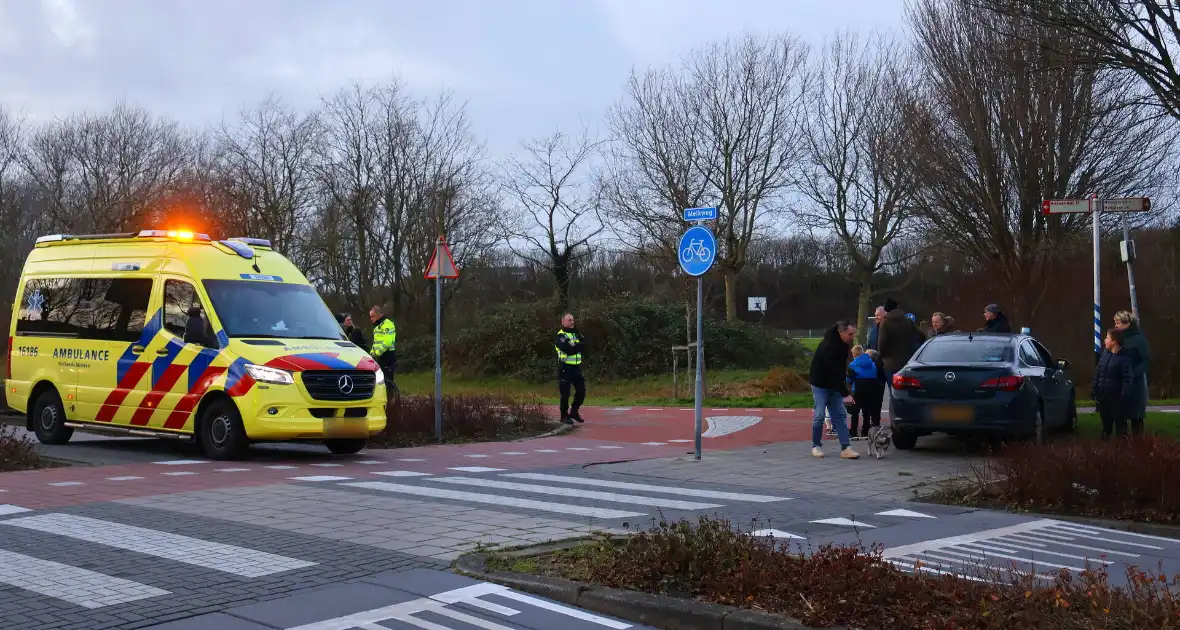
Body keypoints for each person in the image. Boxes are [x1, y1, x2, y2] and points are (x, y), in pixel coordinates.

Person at [808, 320, 860, 459]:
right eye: (850, 334)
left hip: (834, 383)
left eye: (854, 333)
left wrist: (846, 379)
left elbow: (839, 369)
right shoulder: (828, 347)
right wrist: (845, 393)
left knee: (840, 415)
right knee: (819, 415)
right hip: (820, 384)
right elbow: (831, 371)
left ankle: (846, 447)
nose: (852, 337)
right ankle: (816, 445)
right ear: (841, 332)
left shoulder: (844, 345)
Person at [1114, 310, 1151, 436]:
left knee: (1136, 416)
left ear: (1127, 323)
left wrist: (1133, 374)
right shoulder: (1117, 338)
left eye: (1118, 322)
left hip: (1136, 384)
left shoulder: (1139, 339)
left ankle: (1139, 445)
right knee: (1120, 416)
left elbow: (1146, 360)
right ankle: (1122, 446)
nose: (1116, 325)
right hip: (1119, 383)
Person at [1092, 328, 1133, 440]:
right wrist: (1095, 389)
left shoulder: (1124, 359)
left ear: (1114, 342)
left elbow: (1127, 379)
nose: (1104, 340)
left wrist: (1123, 395)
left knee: (1120, 423)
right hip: (1104, 396)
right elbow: (1098, 373)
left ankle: (1122, 445)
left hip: (1117, 397)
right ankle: (1105, 443)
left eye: (1107, 338)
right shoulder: (1104, 356)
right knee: (1105, 421)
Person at [877, 298, 923, 380]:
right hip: (908, 362)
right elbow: (921, 336)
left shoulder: (885, 323)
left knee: (893, 389)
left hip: (890, 363)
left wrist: (882, 356)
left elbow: (882, 344)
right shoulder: (908, 321)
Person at [554, 313, 587, 425]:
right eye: (569, 320)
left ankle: (574, 411)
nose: (572, 322)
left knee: (581, 391)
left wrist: (575, 346)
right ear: (563, 321)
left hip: (576, 367)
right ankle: (564, 416)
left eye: (573, 320)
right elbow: (567, 349)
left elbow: (583, 345)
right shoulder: (560, 335)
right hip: (565, 368)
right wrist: (575, 347)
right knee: (565, 394)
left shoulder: (577, 333)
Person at [849, 345, 884, 439]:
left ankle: (853, 431)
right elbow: (875, 376)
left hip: (858, 389)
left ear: (854, 354)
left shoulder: (852, 364)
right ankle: (865, 431)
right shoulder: (872, 364)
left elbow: (849, 379)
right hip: (870, 389)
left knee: (855, 411)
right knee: (866, 411)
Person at [369, 305, 397, 387]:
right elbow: (376, 342)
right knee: (379, 380)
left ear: (379, 315)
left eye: (372, 316)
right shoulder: (377, 327)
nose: (371, 319)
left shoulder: (388, 325)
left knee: (387, 380)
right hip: (379, 357)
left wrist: (376, 353)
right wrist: (371, 353)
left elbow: (387, 342)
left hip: (388, 356)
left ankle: (391, 397)